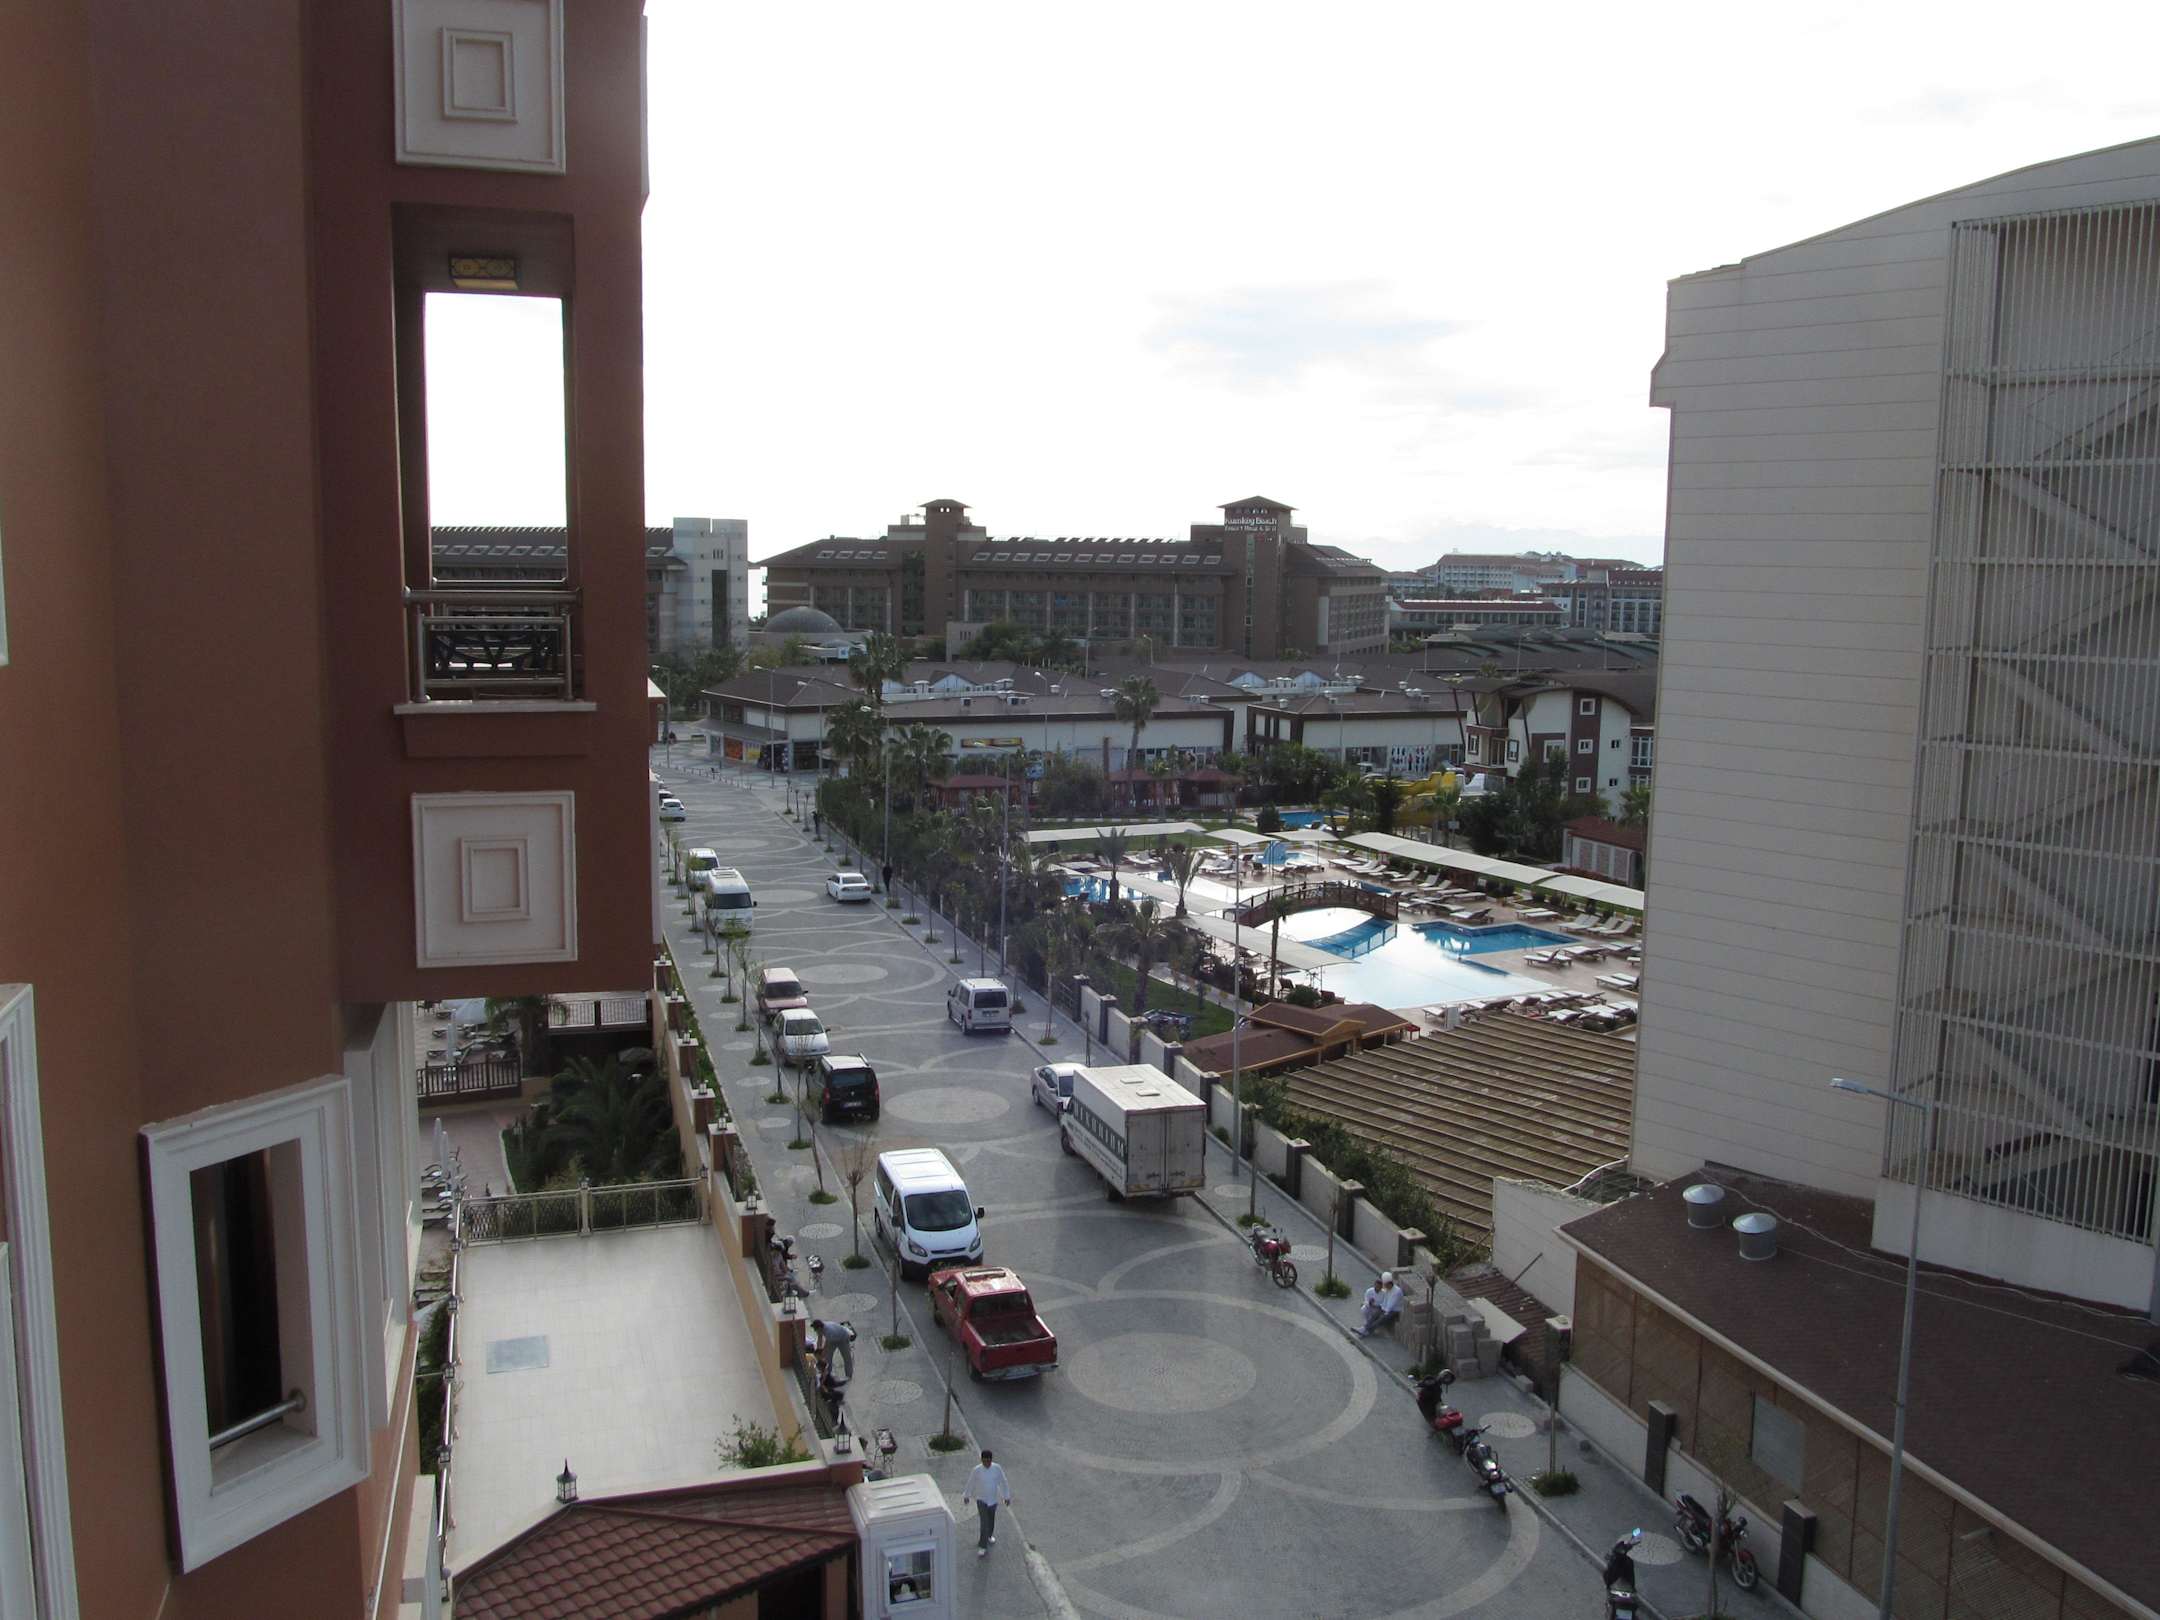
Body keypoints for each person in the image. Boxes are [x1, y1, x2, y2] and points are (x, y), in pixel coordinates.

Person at [963, 1448, 1012, 1558]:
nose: (987, 1463)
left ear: (991, 1459)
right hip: (981, 1500)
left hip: (993, 1501)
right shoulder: (977, 1470)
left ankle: (989, 1536)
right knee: (984, 1524)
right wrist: (967, 1495)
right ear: (981, 1460)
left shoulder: (997, 1468)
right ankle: (982, 1546)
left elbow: (1003, 1482)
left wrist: (1006, 1497)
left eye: (988, 1461)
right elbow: (971, 1482)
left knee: (991, 1520)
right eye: (984, 1461)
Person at [1356, 1271, 1405, 1337]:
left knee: (1382, 1318)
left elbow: (1390, 1305)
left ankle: (1367, 1330)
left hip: (1395, 1311)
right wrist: (1381, 1308)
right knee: (1376, 1313)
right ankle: (1364, 1328)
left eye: (1384, 1284)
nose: (1383, 1286)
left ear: (1388, 1284)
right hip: (1387, 1308)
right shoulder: (1388, 1290)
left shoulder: (1397, 1291)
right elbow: (1385, 1301)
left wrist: (1383, 1311)